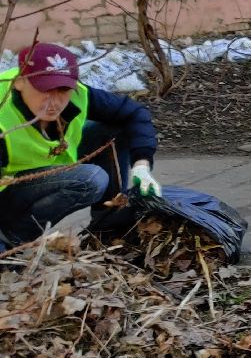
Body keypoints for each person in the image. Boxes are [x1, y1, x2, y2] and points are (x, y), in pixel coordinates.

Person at [0, 42, 161, 254]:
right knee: (90, 180)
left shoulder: (79, 94)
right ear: (20, 82)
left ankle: (109, 228)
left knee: (112, 130)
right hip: (8, 193)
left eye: (63, 90)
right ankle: (11, 242)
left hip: (52, 170)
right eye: (45, 90)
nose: (54, 102)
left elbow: (134, 113)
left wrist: (141, 163)